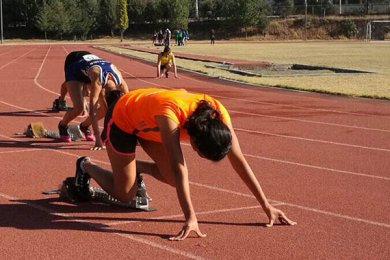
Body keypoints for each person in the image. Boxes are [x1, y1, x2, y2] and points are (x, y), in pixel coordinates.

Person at [70, 87, 297, 241]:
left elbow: (240, 163)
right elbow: (180, 167)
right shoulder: (170, 115)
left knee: (171, 179)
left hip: (149, 124)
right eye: (202, 154)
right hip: (123, 119)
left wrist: (267, 206)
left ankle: (134, 168)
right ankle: (86, 166)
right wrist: (190, 217)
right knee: (125, 194)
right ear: (196, 141)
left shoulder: (220, 118)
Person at [57, 51, 129, 149]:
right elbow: (93, 111)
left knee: (105, 110)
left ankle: (84, 126)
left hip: (90, 66)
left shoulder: (121, 82)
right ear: (106, 94)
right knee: (79, 108)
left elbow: (128, 109)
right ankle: (62, 125)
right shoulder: (98, 82)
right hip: (74, 64)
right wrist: (98, 139)